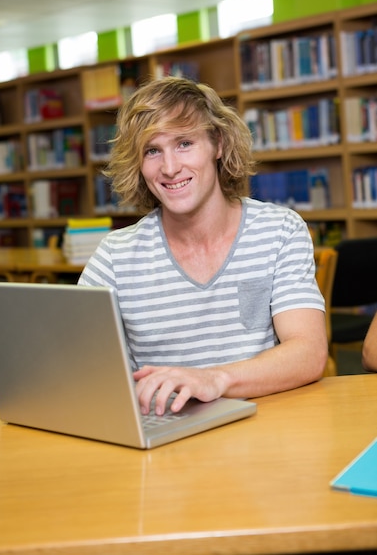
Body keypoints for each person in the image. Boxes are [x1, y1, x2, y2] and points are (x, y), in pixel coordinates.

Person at [78, 76, 328, 415]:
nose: (169, 168)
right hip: (165, 438)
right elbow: (83, 373)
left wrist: (213, 380)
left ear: (218, 144)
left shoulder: (279, 230)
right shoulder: (114, 257)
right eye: (153, 150)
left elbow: (309, 353)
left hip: (265, 429)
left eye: (184, 144)